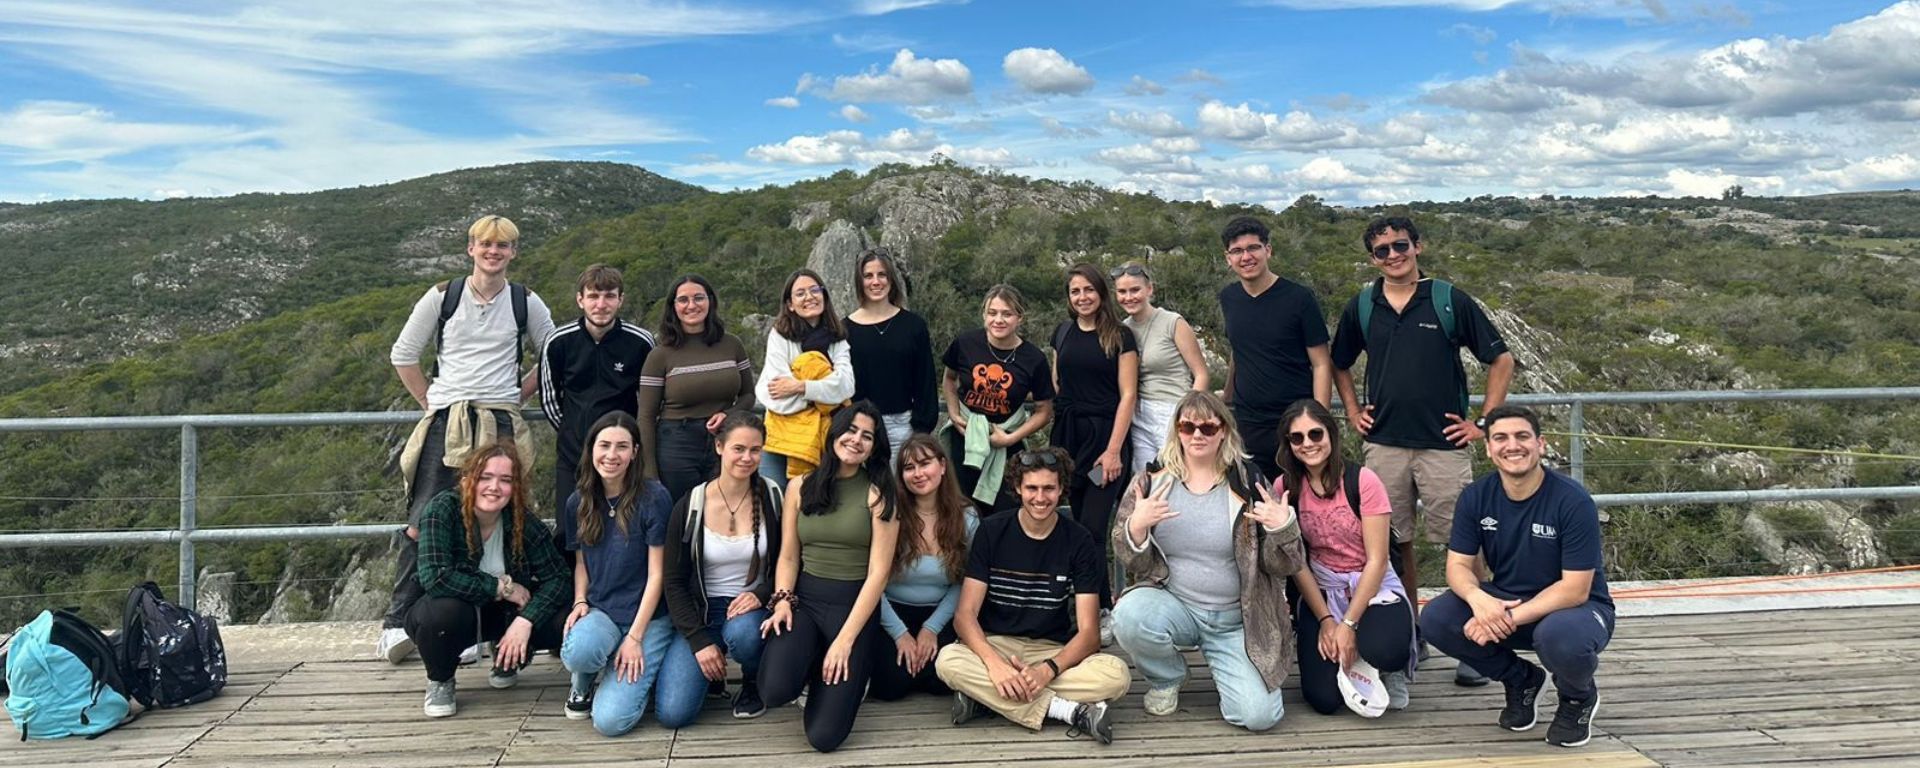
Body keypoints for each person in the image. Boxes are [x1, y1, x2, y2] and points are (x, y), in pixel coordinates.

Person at [1331, 215, 1515, 686]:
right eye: (1382, 250)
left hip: (1443, 446)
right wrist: (1352, 411)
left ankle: (1479, 639)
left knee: (1465, 545)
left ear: (1418, 247)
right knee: (1393, 544)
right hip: (1385, 445)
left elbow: (1501, 358)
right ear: (1372, 258)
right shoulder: (1363, 305)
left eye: (1400, 246)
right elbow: (1339, 363)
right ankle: (1412, 631)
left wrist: (1484, 424)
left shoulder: (1447, 299)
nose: (1393, 256)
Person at [382, 214, 557, 664]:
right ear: (471, 248)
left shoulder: (525, 301)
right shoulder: (443, 297)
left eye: (503, 246)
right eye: (486, 244)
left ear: (513, 252)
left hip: (499, 421)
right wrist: (431, 401)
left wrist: (517, 393)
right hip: (448, 420)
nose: (493, 252)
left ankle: (485, 626)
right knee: (425, 518)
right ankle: (398, 621)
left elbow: (552, 352)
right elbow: (403, 353)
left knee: (502, 516)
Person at [1419, 405, 1613, 749]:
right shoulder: (1476, 496)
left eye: (1522, 436)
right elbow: (1458, 567)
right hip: (1507, 598)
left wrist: (1505, 618)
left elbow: (1575, 589)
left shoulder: (1572, 500)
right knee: (1436, 618)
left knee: (1559, 637)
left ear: (1540, 444)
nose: (1513, 446)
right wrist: (1480, 600)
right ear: (1489, 448)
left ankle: (1576, 698)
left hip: (1575, 610)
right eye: (1501, 438)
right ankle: (1521, 680)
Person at [1110, 391, 1300, 732]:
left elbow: (1284, 566)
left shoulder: (1250, 483)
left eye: (1208, 427)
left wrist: (1283, 528)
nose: (1197, 434)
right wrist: (1136, 527)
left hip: (1237, 620)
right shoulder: (1152, 480)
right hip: (1176, 605)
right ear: (1177, 431)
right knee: (1128, 615)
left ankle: (1228, 663)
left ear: (1224, 431)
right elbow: (1130, 558)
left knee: (1259, 717)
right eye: (1187, 426)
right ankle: (1168, 676)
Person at [934, 447, 1129, 745]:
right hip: (997, 644)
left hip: (1051, 650)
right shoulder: (991, 530)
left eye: (1049, 488)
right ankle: (1067, 710)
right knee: (948, 659)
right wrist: (994, 665)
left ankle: (986, 699)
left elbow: (1089, 635)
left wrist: (1047, 671)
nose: (1040, 498)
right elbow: (965, 616)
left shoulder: (1079, 541)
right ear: (1017, 488)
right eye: (1032, 488)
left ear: (1062, 488)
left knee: (1116, 675)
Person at [757, 402, 900, 753]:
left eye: (867, 436)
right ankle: (809, 662)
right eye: (850, 430)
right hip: (804, 602)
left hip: (851, 610)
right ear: (834, 433)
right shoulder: (799, 486)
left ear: (874, 446)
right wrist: (782, 601)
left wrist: (845, 641)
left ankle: (844, 671)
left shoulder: (879, 494)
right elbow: (789, 555)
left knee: (824, 737)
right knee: (773, 690)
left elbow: (878, 574)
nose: (856, 440)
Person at [1275, 399, 1416, 717]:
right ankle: (1352, 656)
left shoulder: (1363, 481)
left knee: (1386, 648)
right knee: (1324, 700)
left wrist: (1348, 624)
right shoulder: (1285, 488)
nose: (1308, 444)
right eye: (1297, 438)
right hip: (1323, 587)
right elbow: (1296, 561)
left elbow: (1377, 560)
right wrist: (1327, 620)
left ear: (1331, 434)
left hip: (1371, 585)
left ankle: (1385, 665)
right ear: (1288, 444)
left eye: (1315, 434)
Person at [407, 443, 569, 718]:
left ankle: (507, 653)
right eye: (485, 477)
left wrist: (524, 621)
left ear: (515, 488)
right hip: (454, 614)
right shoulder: (442, 510)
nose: (494, 487)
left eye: (505, 480)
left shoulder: (521, 521)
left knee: (566, 616)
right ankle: (441, 677)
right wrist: (499, 587)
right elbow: (435, 577)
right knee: (444, 612)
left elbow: (560, 578)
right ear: (467, 479)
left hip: (504, 616)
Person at [658, 411, 785, 722]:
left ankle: (752, 681)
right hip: (701, 613)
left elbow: (787, 559)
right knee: (674, 714)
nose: (747, 457)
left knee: (743, 634)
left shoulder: (772, 497)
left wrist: (762, 593)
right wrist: (699, 641)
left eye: (755, 450)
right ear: (719, 447)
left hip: (751, 611)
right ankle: (711, 674)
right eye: (738, 449)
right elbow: (673, 581)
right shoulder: (691, 504)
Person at [556, 413, 677, 736]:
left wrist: (635, 638)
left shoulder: (654, 498)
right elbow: (582, 563)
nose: (612, 455)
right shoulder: (578, 502)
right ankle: (587, 675)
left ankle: (636, 664)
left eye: (622, 447)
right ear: (591, 449)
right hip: (603, 611)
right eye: (604, 445)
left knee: (611, 722)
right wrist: (580, 600)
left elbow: (657, 576)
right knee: (579, 651)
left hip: (649, 618)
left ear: (635, 452)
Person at [539, 264, 654, 561]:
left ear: (620, 300)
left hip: (623, 456)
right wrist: (575, 433)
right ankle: (571, 600)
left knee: (622, 528)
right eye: (593, 296)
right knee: (569, 532)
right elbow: (549, 398)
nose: (601, 304)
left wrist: (629, 442)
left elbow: (647, 400)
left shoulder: (640, 342)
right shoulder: (559, 342)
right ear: (580, 299)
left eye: (609, 296)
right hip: (573, 454)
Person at [1048, 263, 1139, 637]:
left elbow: (1128, 394)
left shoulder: (1120, 336)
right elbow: (1058, 381)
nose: (1082, 297)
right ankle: (1082, 603)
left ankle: (1101, 609)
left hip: (1106, 440)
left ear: (1101, 293)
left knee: (1092, 528)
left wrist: (1114, 449)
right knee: (1071, 524)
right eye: (1075, 291)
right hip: (1068, 439)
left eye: (1088, 290)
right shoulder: (1062, 332)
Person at [1217, 215, 1331, 483]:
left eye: (1253, 248)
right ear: (1228, 258)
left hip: (1294, 421)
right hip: (1248, 423)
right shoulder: (1229, 298)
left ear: (1267, 250)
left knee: (1300, 500)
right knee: (1255, 501)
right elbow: (1239, 349)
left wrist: (1319, 422)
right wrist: (1226, 397)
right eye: (1237, 251)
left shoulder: (1299, 298)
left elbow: (1321, 364)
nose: (1246, 257)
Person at [869, 434, 978, 701]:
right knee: (890, 685)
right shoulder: (889, 514)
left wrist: (931, 628)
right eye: (909, 467)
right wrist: (900, 633)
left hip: (942, 611)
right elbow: (872, 580)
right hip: (891, 610)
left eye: (924, 463)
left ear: (942, 466)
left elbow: (964, 582)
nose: (917, 473)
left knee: (942, 680)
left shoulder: (967, 517)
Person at [639, 275, 755, 504]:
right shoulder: (660, 355)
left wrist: (728, 415)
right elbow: (646, 416)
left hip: (724, 440)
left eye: (698, 298)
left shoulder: (732, 345)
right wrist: (649, 473)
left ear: (710, 301)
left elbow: (748, 395)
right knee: (680, 515)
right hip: (676, 444)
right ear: (673, 307)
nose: (691, 305)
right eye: (683, 300)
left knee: (724, 509)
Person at [941, 284, 1055, 513]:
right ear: (984, 315)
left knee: (1004, 509)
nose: (998, 320)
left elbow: (1044, 410)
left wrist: (1011, 439)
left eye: (1007, 314)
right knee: (960, 506)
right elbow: (949, 379)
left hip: (1006, 443)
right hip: (965, 436)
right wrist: (954, 414)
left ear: (1019, 318)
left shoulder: (1033, 358)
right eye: (992, 313)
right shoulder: (965, 343)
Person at [756, 269, 855, 484]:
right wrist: (825, 394)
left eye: (814, 290)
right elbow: (776, 394)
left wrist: (800, 387)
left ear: (824, 296)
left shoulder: (837, 338)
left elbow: (846, 386)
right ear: (790, 304)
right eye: (800, 293)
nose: (809, 297)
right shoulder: (780, 336)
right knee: (774, 501)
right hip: (781, 437)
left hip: (825, 439)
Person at [1112, 262, 1209, 476]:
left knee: (1179, 476)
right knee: (1145, 481)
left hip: (1174, 409)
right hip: (1139, 415)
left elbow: (1201, 373)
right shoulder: (1122, 329)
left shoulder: (1172, 322)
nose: (1129, 297)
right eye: (1122, 291)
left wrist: (1189, 413)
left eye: (1135, 290)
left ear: (1149, 289)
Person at [845, 247, 938, 456]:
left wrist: (921, 431)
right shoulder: (844, 330)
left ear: (891, 279)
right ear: (860, 282)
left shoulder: (913, 325)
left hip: (903, 428)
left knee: (900, 489)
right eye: (868, 276)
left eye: (882, 275)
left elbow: (926, 381)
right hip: (858, 429)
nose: (875, 282)